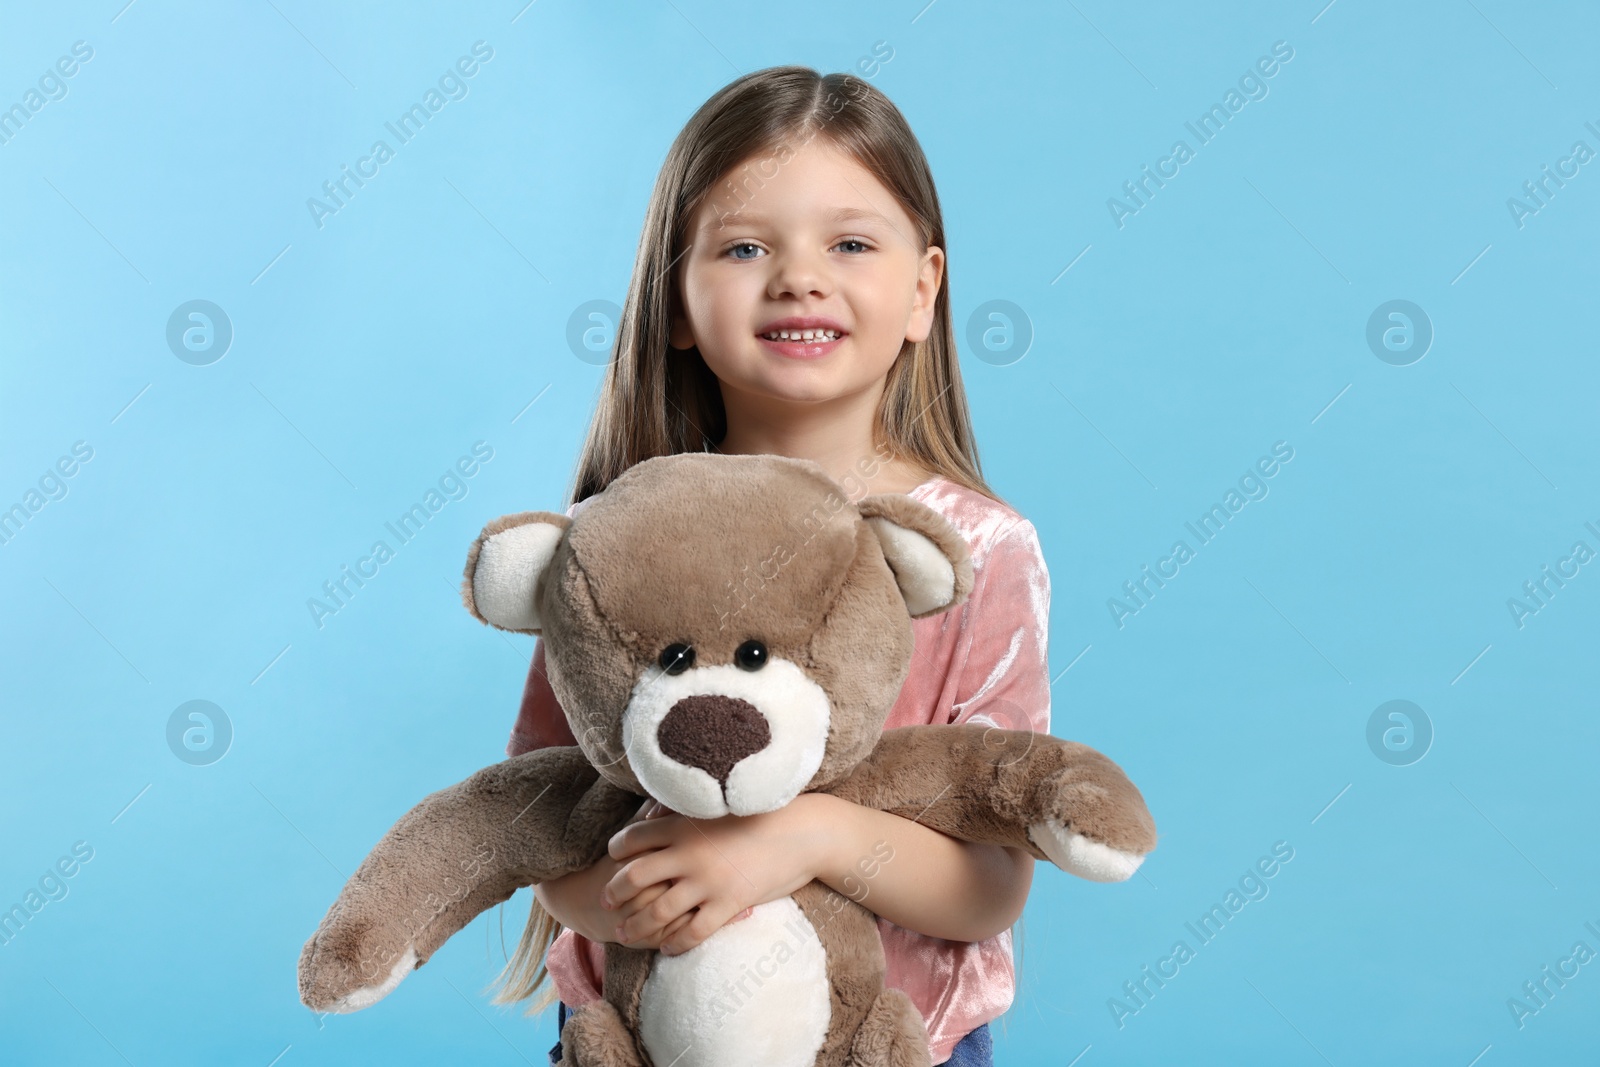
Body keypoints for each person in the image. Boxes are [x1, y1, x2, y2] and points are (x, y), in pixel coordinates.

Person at [490, 65, 1052, 1067]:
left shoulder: (978, 549)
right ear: (673, 299)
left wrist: (808, 840)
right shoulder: (610, 542)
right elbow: (544, 836)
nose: (798, 276)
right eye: (745, 246)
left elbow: (991, 883)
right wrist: (659, 908)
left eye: (849, 243)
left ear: (923, 289)